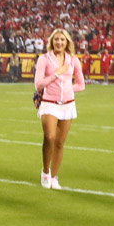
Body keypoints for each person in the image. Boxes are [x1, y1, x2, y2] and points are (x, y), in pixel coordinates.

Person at [33, 27, 84, 190]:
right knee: (49, 137)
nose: (59, 42)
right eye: (56, 39)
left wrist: (67, 90)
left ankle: (54, 176)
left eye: (62, 40)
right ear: (51, 42)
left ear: (67, 42)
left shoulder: (73, 60)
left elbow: (81, 85)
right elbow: (38, 84)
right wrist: (56, 74)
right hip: (49, 102)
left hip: (68, 104)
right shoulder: (44, 59)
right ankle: (45, 171)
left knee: (60, 143)